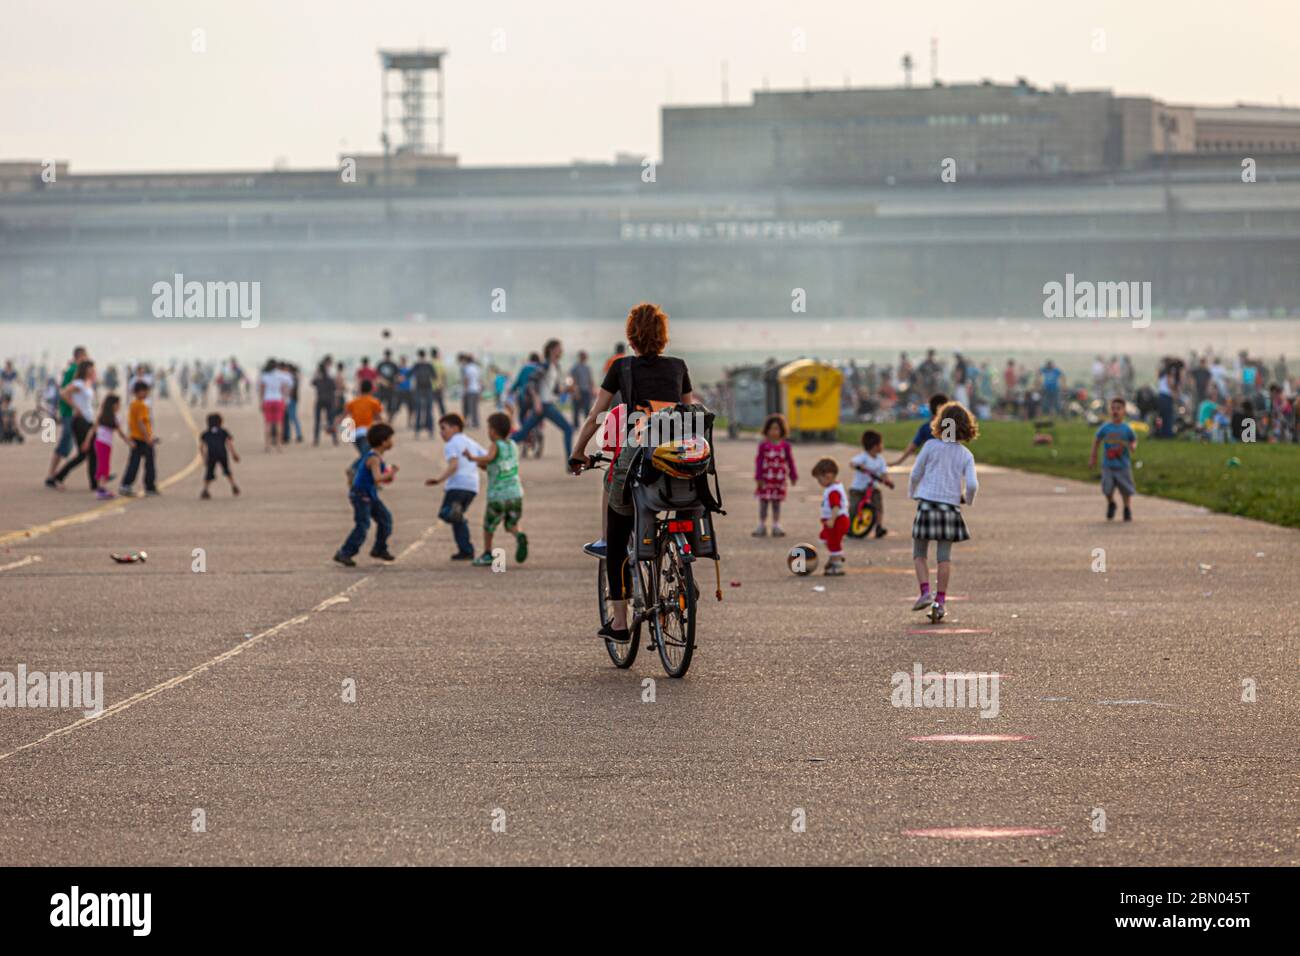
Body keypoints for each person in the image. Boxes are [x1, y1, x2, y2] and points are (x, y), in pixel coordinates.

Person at [568, 303, 696, 644]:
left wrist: (578, 452)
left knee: (616, 535)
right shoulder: (679, 367)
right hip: (677, 461)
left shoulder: (621, 367)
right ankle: (685, 570)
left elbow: (597, 415)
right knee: (682, 503)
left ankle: (621, 623)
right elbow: (690, 413)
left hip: (639, 460)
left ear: (631, 337)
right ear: (664, 336)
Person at [908, 401, 980, 622]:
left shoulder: (930, 446)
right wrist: (966, 500)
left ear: (940, 423)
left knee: (919, 553)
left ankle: (924, 592)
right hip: (950, 508)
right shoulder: (966, 454)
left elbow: (915, 473)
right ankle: (940, 601)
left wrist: (913, 493)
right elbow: (973, 485)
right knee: (943, 558)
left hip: (928, 504)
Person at [463, 412, 528, 567]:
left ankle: (487, 553)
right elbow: (493, 465)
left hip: (498, 496)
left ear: (492, 431)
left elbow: (490, 458)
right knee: (511, 523)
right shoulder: (512, 445)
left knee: (489, 525)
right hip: (515, 493)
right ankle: (519, 535)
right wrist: (480, 464)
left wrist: (472, 458)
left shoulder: (495, 445)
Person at [333, 422, 397, 566]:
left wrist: (388, 476)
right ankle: (345, 552)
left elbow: (377, 479)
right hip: (361, 495)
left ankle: (379, 548)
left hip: (370, 494)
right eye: (390, 439)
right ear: (383, 441)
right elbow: (377, 478)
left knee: (385, 519)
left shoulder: (377, 456)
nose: (392, 442)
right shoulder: (373, 458)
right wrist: (391, 473)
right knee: (362, 525)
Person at [426, 413, 485, 560]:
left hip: (457, 485)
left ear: (455, 428)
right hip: (472, 486)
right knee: (456, 519)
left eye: (444, 428)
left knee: (446, 514)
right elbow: (484, 460)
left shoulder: (452, 444)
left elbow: (454, 465)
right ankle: (466, 550)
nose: (441, 433)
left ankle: (459, 520)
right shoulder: (471, 442)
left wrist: (439, 480)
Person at [510, 339, 575, 461]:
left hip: (546, 405)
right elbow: (531, 383)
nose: (561, 350)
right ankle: (571, 463)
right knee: (568, 429)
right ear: (551, 350)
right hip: (544, 405)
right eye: (559, 348)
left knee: (523, 433)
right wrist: (537, 401)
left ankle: (501, 446)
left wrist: (567, 389)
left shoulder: (556, 367)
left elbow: (555, 390)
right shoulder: (545, 365)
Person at [49, 359, 101, 491]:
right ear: (85, 370)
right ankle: (58, 477)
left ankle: (94, 483)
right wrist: (75, 407)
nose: (93, 371)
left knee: (92, 453)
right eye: (91, 369)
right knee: (84, 453)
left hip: (89, 420)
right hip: (79, 421)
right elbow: (63, 392)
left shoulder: (87, 383)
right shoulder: (78, 383)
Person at [1089, 397, 1137, 521]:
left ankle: (1127, 508)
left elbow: (1133, 439)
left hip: (1123, 465)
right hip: (1108, 465)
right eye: (1113, 408)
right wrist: (1093, 456)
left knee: (1126, 489)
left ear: (1124, 411)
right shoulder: (1106, 428)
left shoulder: (1126, 428)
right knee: (1107, 488)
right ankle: (1111, 503)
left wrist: (1132, 446)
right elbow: (1097, 440)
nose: (1115, 411)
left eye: (1118, 409)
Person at [46, 346, 87, 483]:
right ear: (79, 356)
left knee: (80, 444)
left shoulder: (75, 370)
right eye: (85, 356)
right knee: (67, 443)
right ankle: (52, 475)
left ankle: (98, 476)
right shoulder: (73, 370)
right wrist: (75, 407)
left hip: (73, 412)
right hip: (69, 413)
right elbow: (64, 392)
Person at [753, 412, 796, 537]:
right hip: (766, 479)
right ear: (767, 430)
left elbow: (790, 461)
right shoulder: (763, 445)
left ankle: (776, 525)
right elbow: (759, 461)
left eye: (777, 428)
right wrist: (758, 477)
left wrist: (793, 475)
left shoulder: (785, 446)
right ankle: (761, 525)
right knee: (764, 503)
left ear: (782, 430)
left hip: (779, 480)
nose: (774, 431)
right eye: (771, 428)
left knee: (776, 503)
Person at [849, 428, 894, 538]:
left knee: (878, 504)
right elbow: (853, 463)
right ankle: (849, 525)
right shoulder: (863, 457)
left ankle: (879, 526)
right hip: (858, 488)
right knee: (854, 506)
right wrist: (860, 467)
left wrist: (888, 480)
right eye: (881, 444)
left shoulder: (880, 459)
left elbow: (884, 472)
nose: (882, 446)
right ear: (875, 446)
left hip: (872, 487)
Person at [118, 380, 160, 497]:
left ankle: (126, 484)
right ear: (139, 392)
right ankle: (149, 487)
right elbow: (141, 422)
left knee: (134, 463)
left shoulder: (133, 404)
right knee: (149, 463)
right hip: (142, 439)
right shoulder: (141, 406)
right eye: (145, 391)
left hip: (135, 438)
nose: (146, 394)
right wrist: (148, 438)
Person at [89, 393, 131, 500]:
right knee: (104, 466)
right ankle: (101, 489)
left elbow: (93, 429)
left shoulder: (103, 415)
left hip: (99, 443)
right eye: (118, 404)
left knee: (102, 465)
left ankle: (101, 487)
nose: (119, 406)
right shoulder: (115, 417)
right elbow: (120, 433)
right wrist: (129, 442)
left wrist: (87, 441)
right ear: (113, 405)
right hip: (104, 444)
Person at [813, 457, 849, 576]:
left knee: (833, 542)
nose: (819, 482)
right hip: (833, 521)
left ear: (828, 476)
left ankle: (836, 563)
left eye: (819, 479)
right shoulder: (832, 488)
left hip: (837, 521)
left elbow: (836, 507)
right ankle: (836, 556)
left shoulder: (833, 490)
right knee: (824, 538)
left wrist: (832, 519)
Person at [891, 393, 949, 467]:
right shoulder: (951, 427)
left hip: (931, 467)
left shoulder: (926, 427)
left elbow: (913, 446)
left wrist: (899, 461)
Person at [199, 413, 241, 498]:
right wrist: (234, 454)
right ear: (220, 422)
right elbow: (229, 443)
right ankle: (233, 485)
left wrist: (203, 457)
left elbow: (201, 447)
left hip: (211, 454)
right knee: (227, 470)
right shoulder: (223, 432)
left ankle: (205, 489)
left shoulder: (206, 433)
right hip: (222, 453)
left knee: (209, 472)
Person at [344, 379, 384, 457]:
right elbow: (378, 417)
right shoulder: (374, 402)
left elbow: (343, 416)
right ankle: (353, 467)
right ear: (371, 390)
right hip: (365, 433)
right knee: (368, 455)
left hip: (354, 434)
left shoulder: (353, 402)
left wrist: (333, 425)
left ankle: (356, 467)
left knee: (366, 455)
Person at [258, 358, 289, 451]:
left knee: (268, 423)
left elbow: (261, 390)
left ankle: (267, 445)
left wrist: (261, 402)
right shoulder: (281, 375)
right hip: (278, 399)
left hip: (268, 400)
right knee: (279, 423)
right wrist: (285, 399)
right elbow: (285, 388)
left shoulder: (264, 376)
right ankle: (279, 445)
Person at [409, 349, 437, 436]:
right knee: (428, 410)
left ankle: (417, 430)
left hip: (419, 389)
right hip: (428, 389)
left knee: (419, 410)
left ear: (418, 355)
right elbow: (434, 377)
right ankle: (430, 430)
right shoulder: (429, 365)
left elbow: (409, 375)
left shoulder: (416, 365)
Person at [311, 358, 338, 446]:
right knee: (331, 420)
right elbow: (334, 389)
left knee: (317, 421)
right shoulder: (330, 379)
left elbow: (312, 382)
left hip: (320, 400)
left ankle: (316, 439)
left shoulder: (318, 380)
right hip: (329, 401)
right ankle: (334, 439)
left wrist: (316, 373)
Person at [569, 350, 594, 427]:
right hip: (578, 391)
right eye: (583, 356)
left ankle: (586, 425)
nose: (585, 358)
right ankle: (576, 426)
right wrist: (575, 392)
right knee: (576, 410)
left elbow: (590, 380)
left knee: (587, 409)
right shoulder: (575, 368)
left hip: (586, 391)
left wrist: (592, 389)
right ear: (580, 357)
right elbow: (572, 380)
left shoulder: (587, 368)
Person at [459, 354, 483, 428]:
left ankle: (467, 423)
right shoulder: (477, 368)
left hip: (469, 390)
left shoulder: (467, 368)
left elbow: (466, 380)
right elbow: (480, 380)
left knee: (467, 408)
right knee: (474, 408)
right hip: (476, 390)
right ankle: (475, 423)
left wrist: (465, 390)